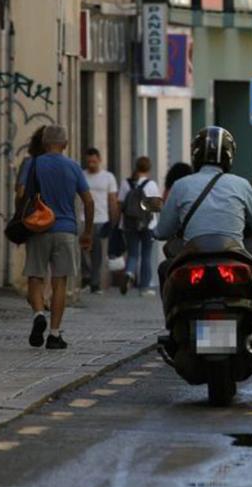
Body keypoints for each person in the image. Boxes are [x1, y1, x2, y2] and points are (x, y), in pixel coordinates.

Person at [153, 127, 252, 283]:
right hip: (233, 257)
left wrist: (156, 232)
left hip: (192, 259)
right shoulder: (241, 185)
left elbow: (163, 231)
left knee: (165, 268)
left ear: (195, 155)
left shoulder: (180, 186)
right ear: (229, 157)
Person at [16, 124, 93, 350]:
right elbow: (88, 201)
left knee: (35, 276)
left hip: (38, 227)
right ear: (65, 144)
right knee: (60, 281)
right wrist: (87, 232)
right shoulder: (74, 167)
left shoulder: (33, 164)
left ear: (43, 143)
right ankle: (54, 334)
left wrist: (21, 219)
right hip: (66, 230)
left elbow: (21, 195)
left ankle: (39, 313)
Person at [119, 156, 163, 297]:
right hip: (148, 226)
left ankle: (129, 272)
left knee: (132, 254)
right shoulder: (152, 185)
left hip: (129, 225)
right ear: (149, 168)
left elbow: (120, 205)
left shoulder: (126, 184)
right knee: (146, 255)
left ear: (135, 167)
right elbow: (157, 206)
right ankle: (144, 288)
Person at [82, 148, 119, 294]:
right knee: (82, 250)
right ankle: (86, 277)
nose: (91, 164)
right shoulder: (82, 175)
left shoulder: (108, 177)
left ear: (99, 160)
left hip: (101, 218)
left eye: (94, 161)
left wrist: (114, 219)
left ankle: (95, 283)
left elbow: (112, 199)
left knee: (97, 253)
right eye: (89, 161)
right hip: (83, 218)